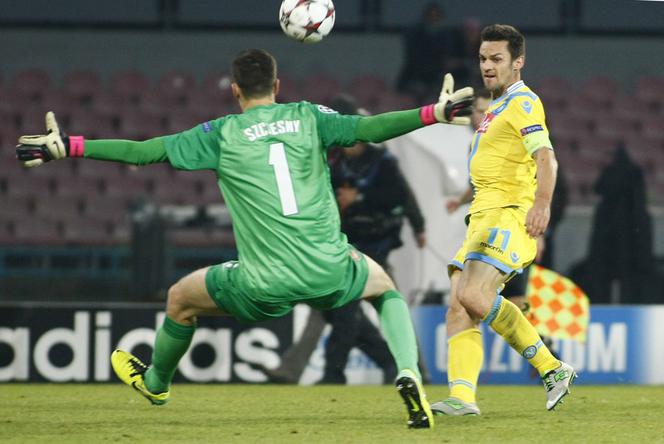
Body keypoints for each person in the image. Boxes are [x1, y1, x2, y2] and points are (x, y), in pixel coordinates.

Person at [16, 49, 474, 429]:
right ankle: (409, 373)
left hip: (262, 281)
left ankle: (156, 383)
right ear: (278, 86)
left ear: (235, 90)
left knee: (180, 299)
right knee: (384, 289)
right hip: (330, 266)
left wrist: (70, 146)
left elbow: (143, 152)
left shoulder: (220, 134)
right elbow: (370, 129)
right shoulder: (308, 116)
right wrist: (433, 112)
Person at [429, 25, 576, 417]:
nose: (488, 67)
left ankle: (553, 368)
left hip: (508, 215)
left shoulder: (525, 102)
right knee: (459, 307)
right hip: (481, 217)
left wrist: (542, 204)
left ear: (518, 62)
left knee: (474, 296)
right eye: (482, 59)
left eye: (497, 59)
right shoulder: (497, 106)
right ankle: (462, 398)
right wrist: (452, 118)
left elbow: (546, 156)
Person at [396, 2, 464, 102]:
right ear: (425, 17)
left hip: (439, 75)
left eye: (436, 16)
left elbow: (449, 56)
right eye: (431, 15)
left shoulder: (447, 35)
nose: (434, 18)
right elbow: (414, 58)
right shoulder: (415, 34)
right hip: (417, 75)